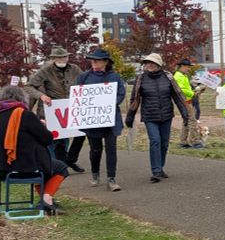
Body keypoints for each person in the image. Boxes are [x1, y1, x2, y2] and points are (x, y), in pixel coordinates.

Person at [0, 85, 69, 215]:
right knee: (60, 167)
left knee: (44, 166)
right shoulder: (24, 114)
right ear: (22, 98)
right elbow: (47, 139)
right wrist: (42, 126)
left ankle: (45, 200)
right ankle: (47, 199)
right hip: (17, 168)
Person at [125, 53, 191, 183]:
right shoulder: (140, 78)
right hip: (150, 116)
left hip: (166, 115)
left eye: (152, 63)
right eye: (147, 63)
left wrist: (185, 113)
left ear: (159, 64)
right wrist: (130, 116)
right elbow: (135, 99)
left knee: (164, 143)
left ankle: (160, 168)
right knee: (155, 141)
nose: (149, 65)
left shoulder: (168, 77)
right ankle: (155, 171)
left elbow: (178, 95)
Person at [26, 46, 86, 173]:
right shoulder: (45, 71)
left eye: (64, 56)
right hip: (53, 110)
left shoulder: (75, 69)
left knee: (81, 134)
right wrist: (41, 96)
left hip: (73, 108)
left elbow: (85, 82)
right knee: (57, 140)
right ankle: (58, 166)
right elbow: (29, 87)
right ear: (53, 59)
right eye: (59, 57)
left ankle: (70, 160)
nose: (62, 59)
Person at [75, 48, 126, 192]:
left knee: (111, 149)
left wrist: (109, 103)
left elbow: (121, 94)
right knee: (95, 149)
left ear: (106, 62)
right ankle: (95, 174)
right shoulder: (84, 77)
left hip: (110, 119)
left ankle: (111, 178)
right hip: (93, 120)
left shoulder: (115, 77)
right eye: (92, 60)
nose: (94, 62)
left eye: (97, 60)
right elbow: (77, 95)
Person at [174, 58, 203, 149]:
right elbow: (181, 90)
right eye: (187, 67)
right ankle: (195, 141)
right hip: (185, 101)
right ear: (182, 66)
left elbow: (185, 89)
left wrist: (195, 91)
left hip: (186, 100)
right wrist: (193, 93)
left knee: (186, 121)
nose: (188, 69)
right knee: (192, 121)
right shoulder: (179, 76)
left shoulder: (182, 75)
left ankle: (183, 141)